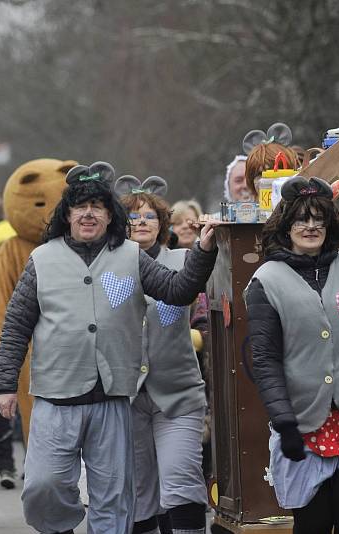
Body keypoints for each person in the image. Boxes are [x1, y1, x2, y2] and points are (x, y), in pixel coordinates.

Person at [0, 162, 219, 534]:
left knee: (113, 498)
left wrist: (205, 250)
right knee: (42, 486)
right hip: (55, 395)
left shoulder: (130, 255)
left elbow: (178, 291)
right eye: (80, 206)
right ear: (66, 215)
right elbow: (16, 324)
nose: (88, 213)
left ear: (109, 214)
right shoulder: (42, 259)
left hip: (112, 398)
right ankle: (62, 524)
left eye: (97, 206)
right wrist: (4, 384)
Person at [245, 176, 339, 534]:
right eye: (301, 218)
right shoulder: (267, 280)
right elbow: (265, 360)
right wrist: (284, 422)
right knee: (313, 524)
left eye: (318, 218)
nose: (310, 226)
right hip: (304, 419)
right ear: (285, 224)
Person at [119, 179, 209, 534]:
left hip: (178, 392)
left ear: (163, 224)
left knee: (181, 480)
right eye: (132, 216)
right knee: (139, 492)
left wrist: (207, 245)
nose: (141, 222)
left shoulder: (183, 261)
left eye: (149, 216)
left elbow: (206, 301)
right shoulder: (108, 268)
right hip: (125, 396)